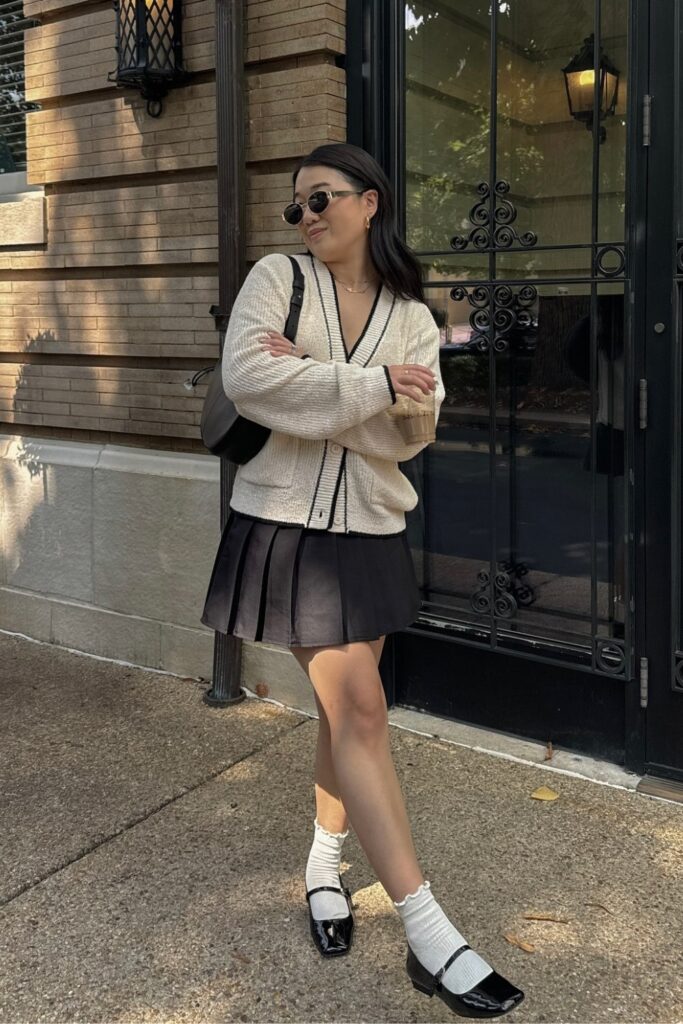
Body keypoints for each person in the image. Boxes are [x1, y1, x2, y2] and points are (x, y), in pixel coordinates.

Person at [201, 143, 524, 1019]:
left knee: (343, 715)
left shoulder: (412, 315)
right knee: (362, 715)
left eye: (323, 199)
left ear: (370, 203)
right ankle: (429, 935)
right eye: (296, 207)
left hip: (372, 529)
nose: (307, 217)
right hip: (289, 530)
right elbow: (248, 379)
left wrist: (316, 393)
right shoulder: (277, 278)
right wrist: (373, 387)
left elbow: (411, 437)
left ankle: (321, 872)